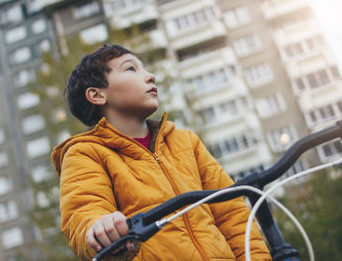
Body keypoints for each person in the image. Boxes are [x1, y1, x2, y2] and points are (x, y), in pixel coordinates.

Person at [51, 44, 271, 260]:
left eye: (145, 68)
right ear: (97, 95)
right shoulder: (85, 153)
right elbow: (85, 212)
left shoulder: (185, 141)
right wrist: (101, 229)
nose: (150, 76)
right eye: (131, 69)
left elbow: (232, 213)